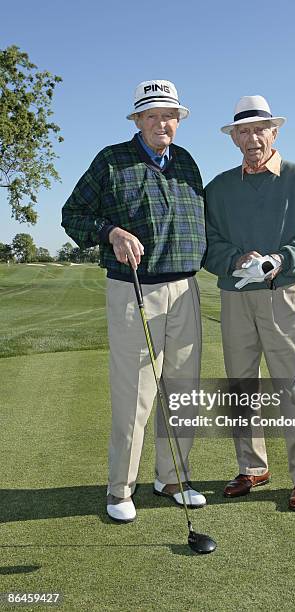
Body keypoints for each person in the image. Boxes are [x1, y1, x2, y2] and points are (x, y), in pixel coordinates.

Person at [62, 80, 207, 522]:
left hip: (186, 289)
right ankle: (120, 489)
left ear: (178, 122)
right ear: (138, 121)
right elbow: (73, 215)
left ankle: (172, 478)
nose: (163, 123)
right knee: (136, 395)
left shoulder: (185, 163)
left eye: (170, 116)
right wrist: (111, 232)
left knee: (182, 392)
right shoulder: (111, 161)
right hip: (134, 289)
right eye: (153, 116)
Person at [204, 95, 295, 510]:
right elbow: (208, 245)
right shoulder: (218, 188)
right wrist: (234, 259)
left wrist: (282, 259)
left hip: (286, 295)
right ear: (234, 138)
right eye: (243, 131)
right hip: (235, 296)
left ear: (274, 133)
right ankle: (252, 466)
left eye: (260, 129)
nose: (252, 137)